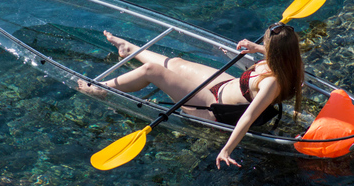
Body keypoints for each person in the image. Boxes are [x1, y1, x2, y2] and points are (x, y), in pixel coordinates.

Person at [78, 23, 305, 169]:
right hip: (224, 86)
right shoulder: (289, 63)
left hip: (212, 107)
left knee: (153, 72)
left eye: (266, 44)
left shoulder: (272, 82)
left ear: (276, 52)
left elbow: (247, 117)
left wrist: (226, 149)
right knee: (176, 64)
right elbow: (276, 52)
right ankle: (130, 50)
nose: (262, 45)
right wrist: (256, 49)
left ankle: (101, 89)